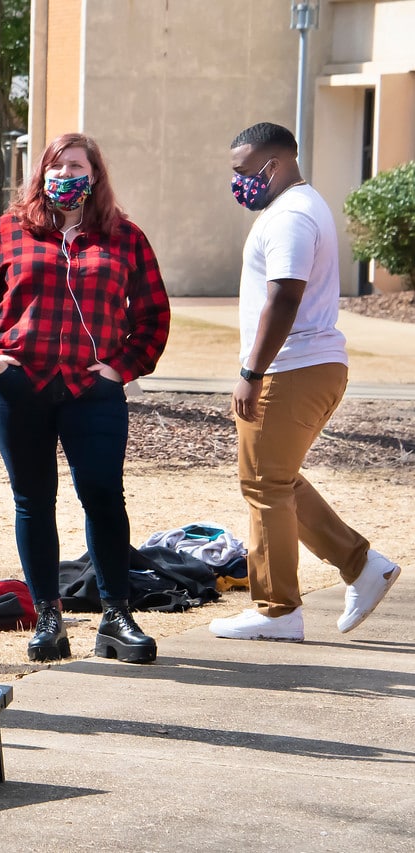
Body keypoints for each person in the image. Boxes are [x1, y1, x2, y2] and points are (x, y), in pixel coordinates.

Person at [0, 132, 171, 665]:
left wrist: (121, 369)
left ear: (94, 175)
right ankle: (49, 619)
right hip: (19, 390)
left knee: (103, 495)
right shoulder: (6, 233)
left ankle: (116, 616)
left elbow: (153, 315)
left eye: (76, 165)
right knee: (33, 498)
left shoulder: (124, 237)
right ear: (40, 173)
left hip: (91, 392)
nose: (65, 174)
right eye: (55, 164)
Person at [209, 122, 401, 642]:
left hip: (290, 368)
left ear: (274, 165)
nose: (238, 183)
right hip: (308, 366)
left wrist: (251, 371)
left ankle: (277, 612)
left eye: (244, 172)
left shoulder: (291, 215)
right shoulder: (299, 205)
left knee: (264, 483)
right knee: (280, 478)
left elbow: (285, 297)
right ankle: (362, 566)